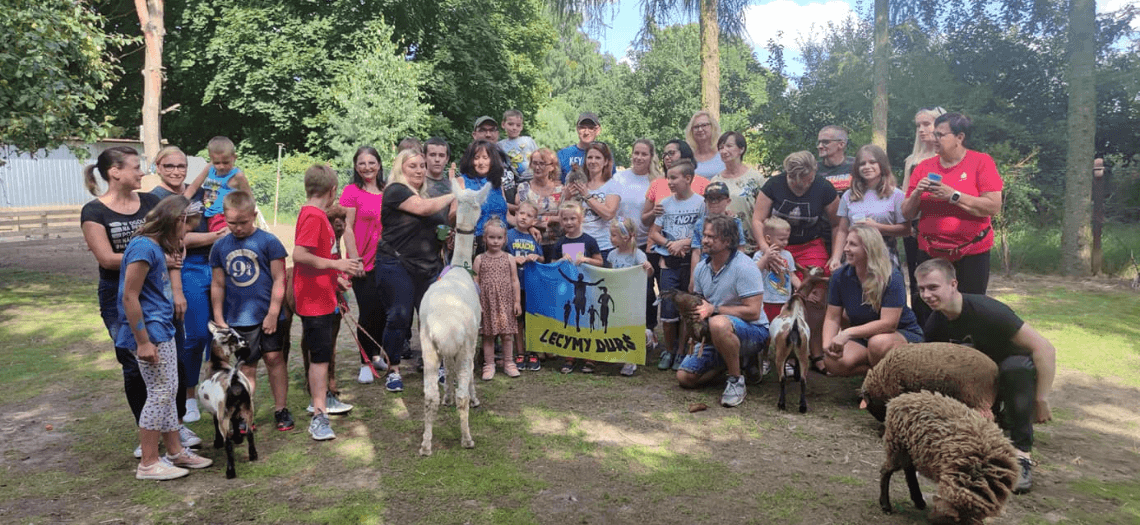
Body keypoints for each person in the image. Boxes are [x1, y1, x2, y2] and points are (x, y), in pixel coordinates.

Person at [81, 147, 200, 459]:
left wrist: (176, 290)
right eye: (136, 167)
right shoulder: (95, 212)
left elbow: (173, 246)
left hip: (159, 297)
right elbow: (107, 260)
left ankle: (174, 433)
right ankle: (147, 439)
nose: (142, 172)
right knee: (138, 366)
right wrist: (154, 258)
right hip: (123, 299)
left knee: (172, 368)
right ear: (115, 172)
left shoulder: (149, 202)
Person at [916, 257, 1055, 494]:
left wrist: (1040, 400)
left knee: (1015, 369)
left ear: (953, 284)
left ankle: (1022, 454)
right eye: (921, 289)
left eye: (933, 287)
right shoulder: (936, 323)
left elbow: (1044, 348)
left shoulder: (987, 310)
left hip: (1015, 375)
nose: (927, 295)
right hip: (981, 382)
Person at [118, 195, 213, 479]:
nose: (186, 235)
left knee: (170, 390)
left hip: (163, 328)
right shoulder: (143, 248)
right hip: (150, 333)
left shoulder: (156, 247)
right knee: (159, 393)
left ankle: (175, 451)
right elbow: (129, 296)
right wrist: (143, 341)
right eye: (186, 228)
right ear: (175, 221)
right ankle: (148, 462)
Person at [902, 112, 1003, 326]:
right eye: (934, 134)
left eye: (940, 135)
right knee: (928, 306)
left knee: (970, 308)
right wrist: (916, 194)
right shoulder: (923, 167)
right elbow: (906, 213)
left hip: (971, 253)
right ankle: (928, 351)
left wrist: (953, 196)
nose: (934, 139)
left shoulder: (981, 162)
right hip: (931, 251)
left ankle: (968, 352)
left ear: (960, 137)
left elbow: (993, 206)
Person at [150, 146, 226, 424]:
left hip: (217, 266)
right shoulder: (155, 199)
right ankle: (189, 396)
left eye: (181, 166)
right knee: (195, 335)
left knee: (219, 333)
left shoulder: (204, 192)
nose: (175, 171)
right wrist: (215, 237)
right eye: (169, 166)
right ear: (158, 167)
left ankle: (216, 389)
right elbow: (174, 240)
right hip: (188, 269)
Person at [209, 191, 292, 431]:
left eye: (243, 222)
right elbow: (218, 284)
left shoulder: (269, 242)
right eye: (231, 223)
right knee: (247, 367)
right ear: (224, 217)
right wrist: (219, 319)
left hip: (268, 315)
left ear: (254, 215)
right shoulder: (220, 247)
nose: (237, 228)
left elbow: (279, 279)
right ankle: (245, 415)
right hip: (239, 319)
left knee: (275, 359)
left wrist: (273, 312)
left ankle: (281, 409)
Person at [375, 149, 457, 392]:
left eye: (422, 166)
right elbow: (422, 209)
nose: (420, 170)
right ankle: (393, 369)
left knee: (433, 317)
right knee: (399, 316)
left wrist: (445, 236)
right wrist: (455, 194)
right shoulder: (395, 190)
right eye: (413, 166)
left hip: (428, 264)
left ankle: (436, 365)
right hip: (396, 263)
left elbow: (432, 224)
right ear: (401, 169)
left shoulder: (427, 196)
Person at [293, 164, 363, 441]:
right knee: (320, 359)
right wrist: (338, 264)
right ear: (332, 191)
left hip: (322, 295)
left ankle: (322, 403)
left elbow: (315, 259)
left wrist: (336, 279)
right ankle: (318, 414)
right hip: (313, 302)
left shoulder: (315, 215)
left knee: (322, 356)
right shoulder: (313, 216)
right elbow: (299, 254)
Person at [676, 215, 769, 408]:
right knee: (685, 378)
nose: (705, 240)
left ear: (727, 241)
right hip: (717, 331)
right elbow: (701, 305)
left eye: (711, 237)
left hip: (754, 331)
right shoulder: (702, 267)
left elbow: (753, 312)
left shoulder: (745, 266)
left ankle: (736, 380)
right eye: (704, 235)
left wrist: (715, 309)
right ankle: (732, 362)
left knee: (717, 322)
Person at [821, 223, 923, 377]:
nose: (846, 248)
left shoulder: (891, 277)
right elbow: (832, 317)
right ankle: (884, 373)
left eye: (853, 244)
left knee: (878, 343)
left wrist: (847, 333)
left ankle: (880, 385)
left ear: (868, 248)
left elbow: (889, 324)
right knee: (833, 362)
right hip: (864, 337)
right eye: (847, 243)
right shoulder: (839, 276)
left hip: (899, 333)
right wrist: (827, 344)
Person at [339, 146, 389, 384]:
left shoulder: (388, 190)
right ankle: (364, 362)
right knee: (368, 312)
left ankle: (376, 353)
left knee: (383, 312)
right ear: (356, 166)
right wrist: (355, 258)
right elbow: (346, 226)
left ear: (379, 164)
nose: (367, 167)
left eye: (371, 162)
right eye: (362, 163)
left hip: (386, 260)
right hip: (362, 262)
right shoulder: (351, 192)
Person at [650, 160, 704, 371]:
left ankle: (682, 352)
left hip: (690, 262)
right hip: (669, 263)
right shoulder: (665, 203)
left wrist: (685, 243)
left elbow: (704, 232)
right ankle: (669, 350)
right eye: (668, 178)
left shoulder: (700, 203)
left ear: (688, 178)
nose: (669, 182)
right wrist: (670, 244)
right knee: (668, 310)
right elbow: (654, 232)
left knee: (687, 308)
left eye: (674, 178)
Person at [752, 151, 841, 275]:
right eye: (805, 180)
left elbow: (837, 225)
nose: (809, 183)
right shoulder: (774, 184)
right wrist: (765, 249)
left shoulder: (824, 188)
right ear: (792, 176)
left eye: (811, 178)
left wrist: (836, 256)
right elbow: (758, 220)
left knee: (818, 278)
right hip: (774, 244)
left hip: (809, 245)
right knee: (772, 279)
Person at [833, 144, 908, 270]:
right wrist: (836, 257)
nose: (867, 167)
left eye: (872, 162)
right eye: (862, 164)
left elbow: (906, 229)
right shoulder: (849, 195)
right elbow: (842, 230)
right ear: (857, 168)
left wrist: (878, 227)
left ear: (882, 165)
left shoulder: (896, 195)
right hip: (854, 253)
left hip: (884, 252)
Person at [902, 107, 947, 308]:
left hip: (942, 224)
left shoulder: (947, 159)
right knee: (917, 275)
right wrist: (906, 223)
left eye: (926, 124)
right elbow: (904, 195)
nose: (921, 129)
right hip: (915, 226)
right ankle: (920, 327)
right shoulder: (911, 161)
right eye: (918, 125)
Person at [552, 201, 604, 374]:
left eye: (573, 218)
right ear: (560, 221)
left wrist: (586, 260)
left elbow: (600, 262)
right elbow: (552, 265)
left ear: (580, 218)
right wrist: (561, 260)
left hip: (587, 292)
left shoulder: (589, 241)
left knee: (588, 319)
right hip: (567, 290)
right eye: (565, 219)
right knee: (571, 320)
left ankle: (590, 357)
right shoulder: (559, 243)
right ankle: (570, 356)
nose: (569, 222)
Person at [606, 217, 654, 377]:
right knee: (618, 325)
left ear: (625, 236)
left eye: (614, 235)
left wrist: (648, 268)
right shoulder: (612, 255)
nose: (611, 239)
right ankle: (644, 337)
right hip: (617, 298)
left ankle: (631, 360)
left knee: (630, 326)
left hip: (633, 299)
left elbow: (647, 274)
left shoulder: (637, 254)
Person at [475, 219, 522, 380]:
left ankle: (509, 362)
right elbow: (476, 282)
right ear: (484, 238)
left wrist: (517, 301)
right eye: (491, 237)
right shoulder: (479, 259)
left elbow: (515, 280)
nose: (495, 241)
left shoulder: (509, 258)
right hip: (487, 302)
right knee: (488, 335)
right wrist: (477, 304)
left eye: (499, 238)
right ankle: (489, 364)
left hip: (506, 302)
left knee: (507, 334)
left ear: (504, 239)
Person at [710, 131, 767, 252]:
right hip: (724, 247)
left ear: (741, 149)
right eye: (721, 148)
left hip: (753, 247)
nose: (724, 151)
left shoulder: (756, 178)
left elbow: (766, 213)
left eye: (729, 146)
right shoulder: (716, 181)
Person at [184, 136, 253, 232]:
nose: (221, 166)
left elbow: (249, 197)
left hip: (225, 216)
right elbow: (194, 186)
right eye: (217, 163)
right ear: (211, 159)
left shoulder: (237, 176)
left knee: (220, 239)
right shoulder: (209, 168)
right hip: (208, 214)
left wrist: (248, 219)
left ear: (234, 158)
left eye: (226, 162)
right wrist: (182, 201)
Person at [566, 142, 621, 260]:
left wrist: (587, 196)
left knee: (603, 279)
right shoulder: (578, 183)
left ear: (606, 161)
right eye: (590, 157)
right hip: (576, 244)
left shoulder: (612, 185)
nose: (593, 161)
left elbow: (608, 214)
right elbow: (565, 214)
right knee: (574, 278)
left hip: (604, 246)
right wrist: (566, 197)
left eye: (598, 158)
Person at [507, 201, 544, 372]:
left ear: (534, 221)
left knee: (532, 320)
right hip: (514, 286)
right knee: (518, 320)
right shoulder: (508, 235)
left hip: (532, 286)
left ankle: (533, 352)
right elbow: (498, 254)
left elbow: (542, 258)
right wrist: (511, 259)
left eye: (529, 215)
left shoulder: (534, 237)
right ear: (515, 214)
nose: (524, 217)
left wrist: (536, 256)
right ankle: (520, 352)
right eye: (521, 213)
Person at [459, 140, 511, 254]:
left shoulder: (496, 182)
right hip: (476, 244)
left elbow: (506, 215)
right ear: (470, 160)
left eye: (485, 158)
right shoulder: (462, 181)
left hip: (501, 243)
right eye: (476, 158)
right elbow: (453, 216)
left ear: (492, 160)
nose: (481, 162)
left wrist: (528, 227)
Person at [689, 181, 747, 280]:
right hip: (705, 271)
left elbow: (740, 249)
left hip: (730, 270)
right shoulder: (699, 223)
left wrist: (740, 271)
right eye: (710, 199)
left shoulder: (735, 222)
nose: (714, 202)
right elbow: (696, 252)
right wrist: (693, 279)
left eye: (719, 199)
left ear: (728, 201)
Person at [516, 148, 563, 261]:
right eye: (535, 163)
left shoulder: (561, 190)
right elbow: (522, 215)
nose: (537, 167)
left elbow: (563, 218)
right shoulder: (524, 188)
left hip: (557, 244)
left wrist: (536, 220)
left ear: (552, 166)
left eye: (542, 164)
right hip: (531, 243)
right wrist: (531, 226)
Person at [753, 217, 801, 328]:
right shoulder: (759, 255)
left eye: (787, 239)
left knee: (781, 328)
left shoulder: (787, 255)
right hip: (765, 301)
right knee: (766, 328)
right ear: (768, 239)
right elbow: (754, 272)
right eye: (781, 239)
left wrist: (801, 288)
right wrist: (766, 258)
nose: (786, 242)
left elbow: (792, 274)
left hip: (783, 302)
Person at [471, 116, 517, 203]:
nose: (488, 134)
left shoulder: (505, 157)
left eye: (492, 130)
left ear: (497, 134)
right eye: (483, 130)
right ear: (474, 135)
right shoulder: (471, 161)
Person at [558, 112, 602, 180]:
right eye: (582, 128)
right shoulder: (562, 154)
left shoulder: (605, 155)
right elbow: (552, 184)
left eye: (591, 128)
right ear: (577, 129)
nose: (586, 132)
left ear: (598, 130)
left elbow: (611, 185)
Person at [498, 109, 539, 181]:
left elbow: (540, 158)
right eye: (510, 124)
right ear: (503, 124)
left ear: (522, 127)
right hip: (513, 183)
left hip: (532, 180)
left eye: (518, 125)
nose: (514, 128)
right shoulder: (500, 145)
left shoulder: (528, 141)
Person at [685, 110, 726, 178]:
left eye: (704, 125)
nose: (700, 129)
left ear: (712, 127)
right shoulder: (687, 157)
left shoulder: (723, 153)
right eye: (696, 127)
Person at [816, 125, 855, 192]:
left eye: (825, 142)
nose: (820, 146)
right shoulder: (813, 169)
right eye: (819, 142)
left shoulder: (856, 165)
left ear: (841, 145)